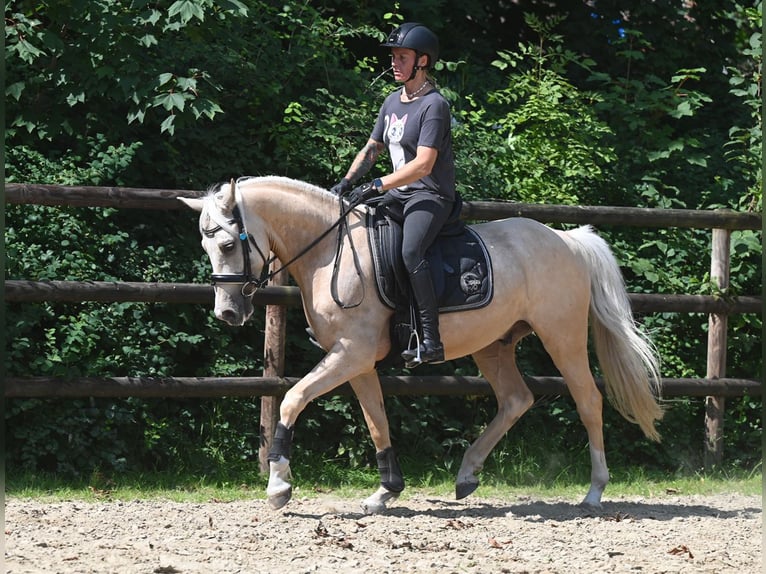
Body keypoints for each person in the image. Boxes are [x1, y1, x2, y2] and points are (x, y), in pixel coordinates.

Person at [331, 22, 459, 366]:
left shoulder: (434, 105)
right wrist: (346, 181)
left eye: (402, 56)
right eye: (393, 56)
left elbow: (424, 165)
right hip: (398, 194)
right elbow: (372, 148)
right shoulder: (392, 101)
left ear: (423, 61)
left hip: (429, 197)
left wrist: (378, 185)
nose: (394, 62)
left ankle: (431, 339)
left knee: (411, 249)